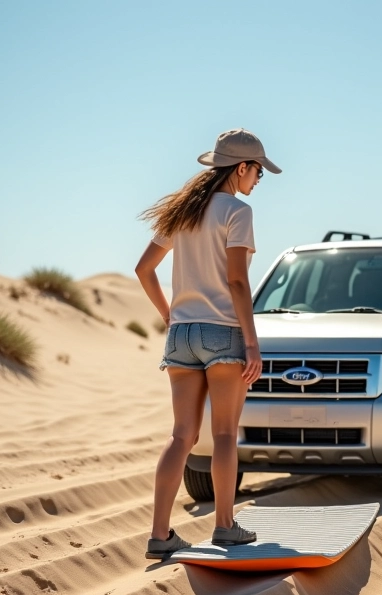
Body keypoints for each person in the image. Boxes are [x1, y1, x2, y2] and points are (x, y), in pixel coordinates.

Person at [135, 128, 281, 559]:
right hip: (223, 333)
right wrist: (252, 344)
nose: (258, 180)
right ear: (241, 168)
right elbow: (237, 280)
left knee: (181, 435)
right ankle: (224, 527)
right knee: (223, 434)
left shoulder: (183, 211)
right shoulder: (237, 211)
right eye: (258, 171)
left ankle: (160, 535)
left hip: (181, 334)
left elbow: (144, 270)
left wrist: (169, 313)